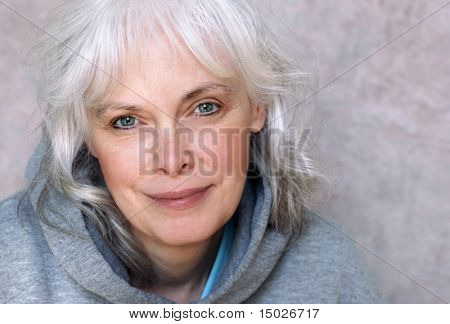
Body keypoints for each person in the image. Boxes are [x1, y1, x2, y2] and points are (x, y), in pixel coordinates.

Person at [0, 0, 382, 303]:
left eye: (205, 108)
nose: (172, 159)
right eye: (127, 121)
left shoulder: (329, 270)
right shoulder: (10, 266)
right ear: (86, 138)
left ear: (258, 107)